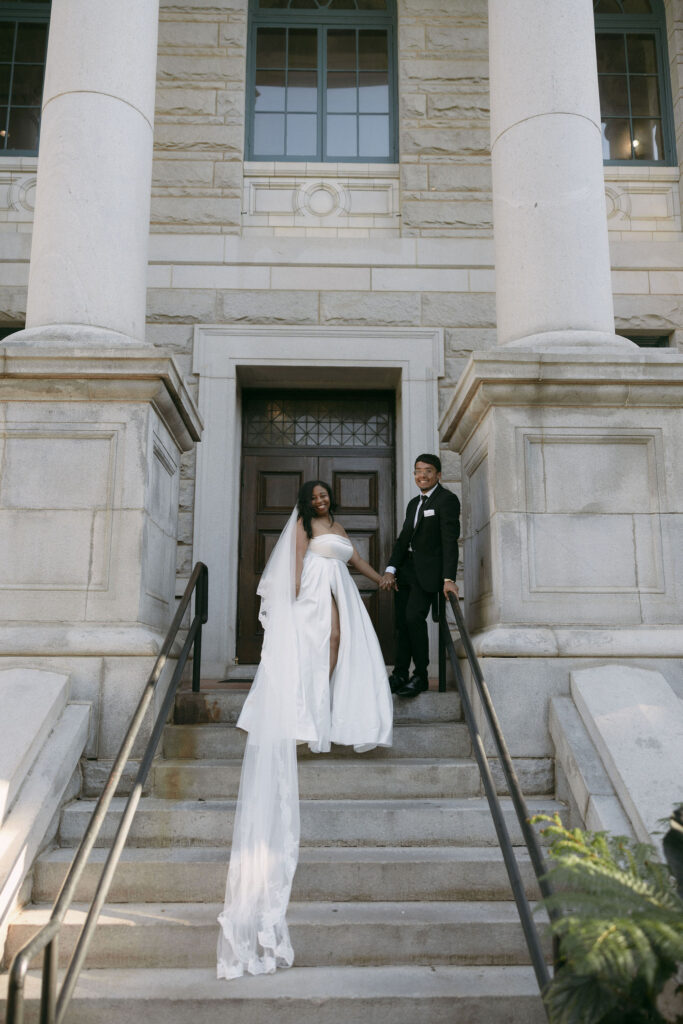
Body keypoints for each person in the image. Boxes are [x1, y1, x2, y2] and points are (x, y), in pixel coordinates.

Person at [217, 480, 392, 980]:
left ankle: (330, 712)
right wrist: (292, 595)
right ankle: (307, 717)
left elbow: (353, 562)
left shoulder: (338, 526)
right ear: (306, 500)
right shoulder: (302, 524)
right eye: (312, 496)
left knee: (338, 643)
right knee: (319, 646)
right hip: (311, 590)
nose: (318, 501)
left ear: (330, 497)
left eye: (322, 495)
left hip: (338, 587)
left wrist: (381, 578)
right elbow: (295, 560)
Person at [379, 454, 460, 698]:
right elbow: (404, 539)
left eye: (427, 471)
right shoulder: (414, 503)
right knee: (402, 623)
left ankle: (421, 676)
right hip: (406, 572)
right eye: (417, 471)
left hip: (429, 573)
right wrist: (391, 569)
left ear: (438, 475)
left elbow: (449, 540)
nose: (421, 475)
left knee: (414, 617)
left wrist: (448, 578)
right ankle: (400, 674)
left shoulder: (447, 500)